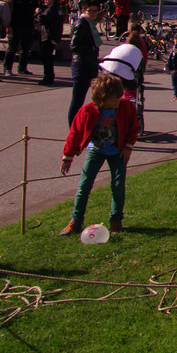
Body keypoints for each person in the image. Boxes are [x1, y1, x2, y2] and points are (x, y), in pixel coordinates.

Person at [58, 73, 140, 236]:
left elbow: (134, 127)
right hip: (96, 151)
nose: (117, 102)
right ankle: (76, 221)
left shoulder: (126, 107)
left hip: (118, 152)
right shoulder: (87, 111)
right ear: (101, 98)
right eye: (113, 100)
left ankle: (116, 221)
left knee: (118, 186)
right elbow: (74, 133)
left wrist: (128, 147)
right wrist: (67, 157)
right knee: (84, 186)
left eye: (118, 98)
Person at [67, 0, 103, 125]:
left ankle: (86, 125)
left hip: (90, 64)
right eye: (90, 11)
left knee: (94, 98)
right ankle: (73, 128)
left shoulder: (90, 24)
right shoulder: (82, 23)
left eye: (95, 11)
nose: (93, 13)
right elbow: (74, 46)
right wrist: (91, 49)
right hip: (81, 64)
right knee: (77, 99)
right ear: (83, 10)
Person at [4, 0, 38, 76]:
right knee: (12, 48)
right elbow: (9, 13)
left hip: (28, 26)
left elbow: (36, 8)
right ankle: (7, 68)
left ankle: (22, 68)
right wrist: (8, 27)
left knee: (25, 48)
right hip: (15, 26)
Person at [38, 0, 65, 86]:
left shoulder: (52, 9)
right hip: (52, 36)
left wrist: (38, 13)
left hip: (49, 36)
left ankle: (48, 78)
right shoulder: (57, 9)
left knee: (46, 58)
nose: (45, 1)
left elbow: (42, 19)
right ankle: (48, 76)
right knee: (47, 58)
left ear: (53, 0)